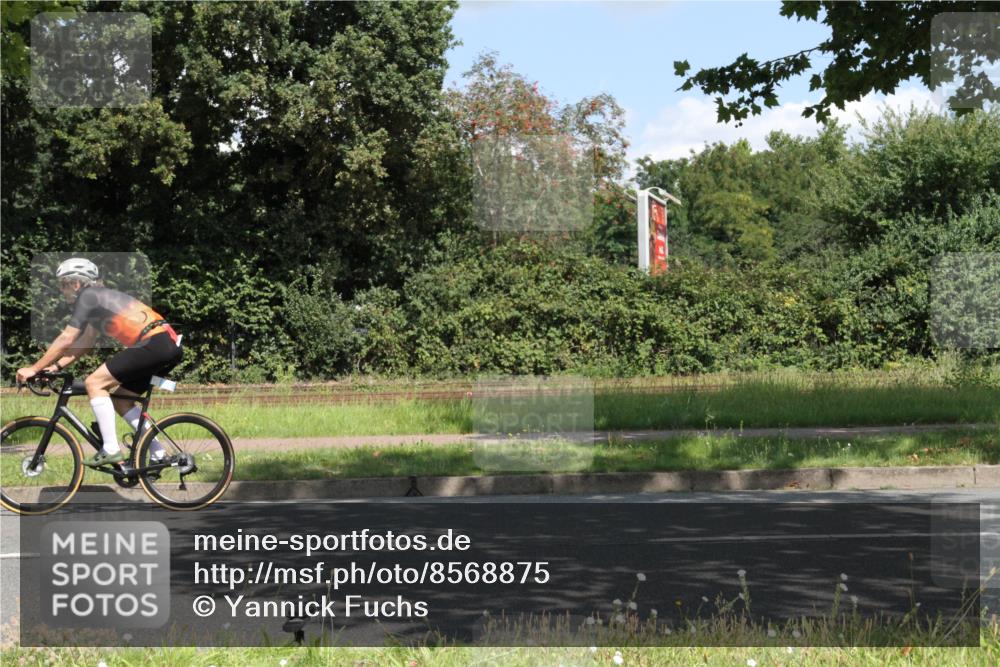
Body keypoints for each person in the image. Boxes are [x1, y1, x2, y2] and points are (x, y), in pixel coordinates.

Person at [15, 258, 183, 467]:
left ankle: (111, 449)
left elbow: (67, 337)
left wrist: (33, 369)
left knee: (94, 383)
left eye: (63, 285)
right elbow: (85, 343)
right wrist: (56, 367)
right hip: (166, 344)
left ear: (76, 283)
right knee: (122, 401)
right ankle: (158, 454)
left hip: (154, 344)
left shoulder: (88, 296)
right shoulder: (98, 300)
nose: (61, 290)